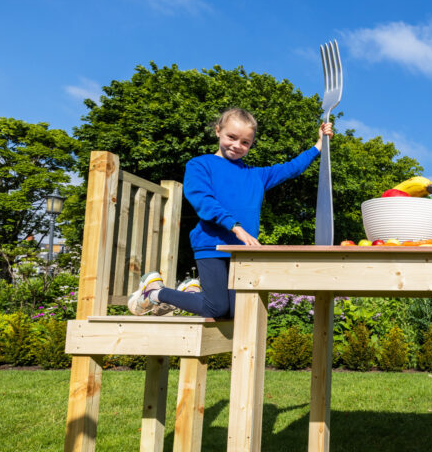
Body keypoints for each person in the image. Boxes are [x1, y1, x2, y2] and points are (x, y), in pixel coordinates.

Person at [127, 107, 332, 318]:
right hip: (211, 245)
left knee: (235, 313)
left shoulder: (257, 176)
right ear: (218, 131)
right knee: (216, 308)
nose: (237, 145)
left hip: (241, 251)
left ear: (251, 144)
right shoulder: (200, 165)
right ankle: (155, 292)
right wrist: (235, 227)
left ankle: (189, 291)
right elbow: (203, 201)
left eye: (245, 142)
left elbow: (292, 168)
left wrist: (319, 144)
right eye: (231, 137)